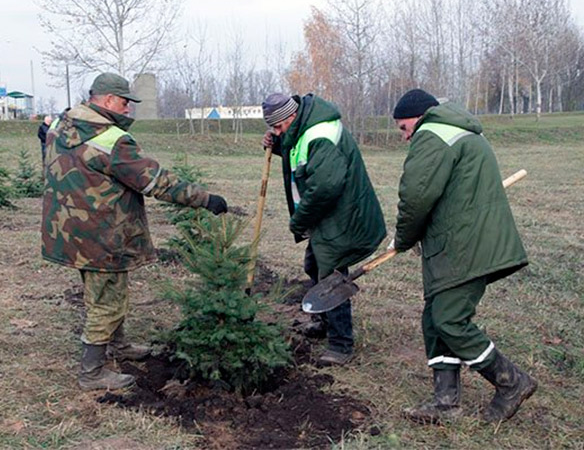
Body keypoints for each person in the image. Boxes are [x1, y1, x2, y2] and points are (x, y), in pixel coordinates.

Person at [41, 72, 228, 391]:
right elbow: (155, 181)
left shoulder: (61, 125)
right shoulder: (112, 140)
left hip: (68, 230)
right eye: (125, 102)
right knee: (107, 301)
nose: (128, 109)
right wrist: (205, 199)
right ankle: (92, 372)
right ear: (108, 100)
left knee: (103, 292)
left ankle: (118, 345)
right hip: (102, 234)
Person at [389, 88, 537, 423]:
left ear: (418, 116)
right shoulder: (457, 131)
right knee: (435, 321)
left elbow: (415, 196)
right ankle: (446, 404)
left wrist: (403, 239)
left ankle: (511, 382)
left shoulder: (432, 134)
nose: (404, 135)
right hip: (464, 240)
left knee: (450, 320)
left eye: (403, 127)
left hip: (465, 245)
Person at [261, 93, 386, 366]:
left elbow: (325, 186)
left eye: (279, 127)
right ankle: (323, 322)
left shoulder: (320, 133)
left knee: (330, 272)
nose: (278, 132)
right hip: (328, 216)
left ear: (291, 117)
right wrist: (279, 143)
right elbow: (301, 153)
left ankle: (341, 345)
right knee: (312, 265)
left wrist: (299, 220)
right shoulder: (305, 128)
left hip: (342, 214)